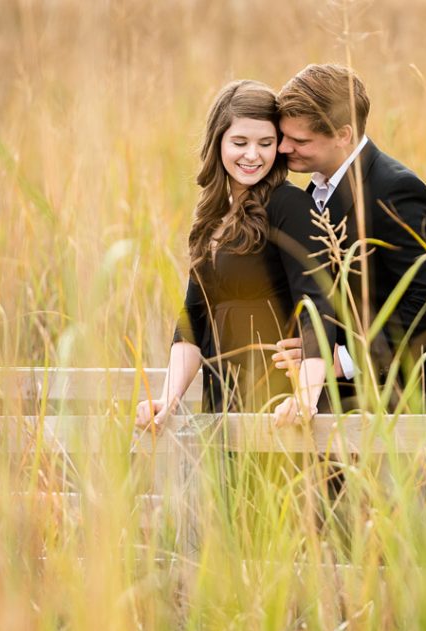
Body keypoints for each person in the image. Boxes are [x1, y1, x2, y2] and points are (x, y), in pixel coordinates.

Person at [135, 80, 334, 429]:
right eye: (240, 142)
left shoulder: (290, 205)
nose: (252, 155)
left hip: (279, 400)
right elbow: (193, 319)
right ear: (219, 142)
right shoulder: (212, 214)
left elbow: (318, 305)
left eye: (266, 143)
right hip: (223, 398)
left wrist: (304, 398)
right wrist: (168, 399)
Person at [270, 63, 426, 410]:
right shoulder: (316, 190)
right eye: (283, 136)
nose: (283, 148)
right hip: (348, 417)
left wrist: (342, 360)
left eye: (299, 140)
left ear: (343, 135)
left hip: (411, 410)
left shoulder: (395, 190)